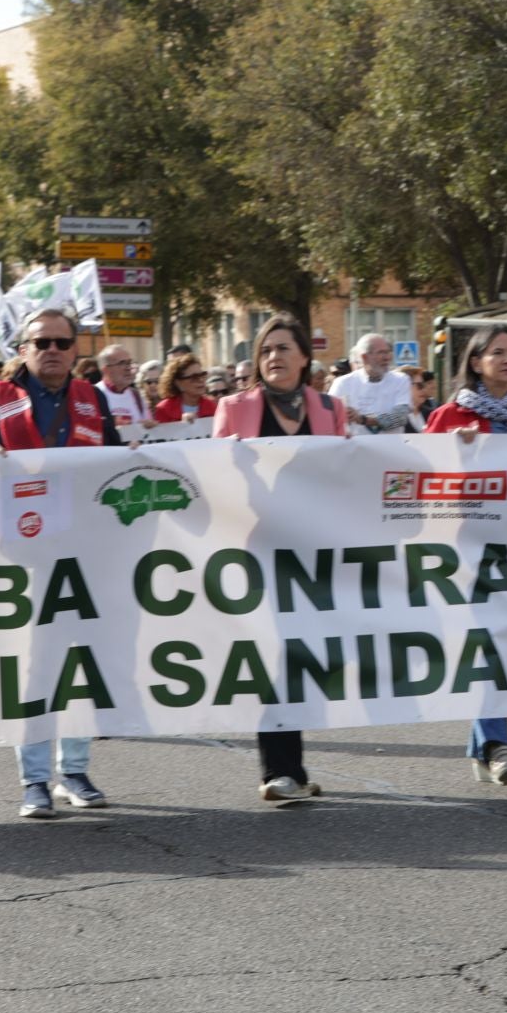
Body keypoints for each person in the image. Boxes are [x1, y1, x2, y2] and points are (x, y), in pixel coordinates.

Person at [0, 309, 123, 818]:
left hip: (82, 550)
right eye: (40, 342)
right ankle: (34, 780)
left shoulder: (92, 399)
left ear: (75, 350)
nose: (51, 349)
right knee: (33, 667)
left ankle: (74, 769)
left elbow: (113, 463)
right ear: (24, 350)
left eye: (61, 342)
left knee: (79, 664)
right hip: (22, 555)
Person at [210, 314, 345, 804]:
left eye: (284, 348)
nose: (274, 357)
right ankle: (279, 769)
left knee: (305, 655)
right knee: (273, 652)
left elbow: (346, 473)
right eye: (267, 350)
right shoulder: (233, 408)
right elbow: (215, 474)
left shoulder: (330, 409)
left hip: (312, 549)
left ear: (305, 358)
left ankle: (296, 768)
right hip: (257, 549)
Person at [425, 326, 507, 784]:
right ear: (475, 361)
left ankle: (483, 743)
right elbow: (422, 481)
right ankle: (498, 743)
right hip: (468, 550)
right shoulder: (448, 416)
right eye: (496, 352)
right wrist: (451, 453)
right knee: (488, 641)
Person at [331, 333, 412, 435]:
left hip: (391, 448)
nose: (387, 357)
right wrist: (342, 416)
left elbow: (400, 417)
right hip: (355, 449)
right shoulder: (343, 383)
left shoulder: (400, 380)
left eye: (388, 352)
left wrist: (363, 419)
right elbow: (328, 418)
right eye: (381, 353)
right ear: (365, 357)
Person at [96, 344, 157, 432]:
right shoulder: (93, 394)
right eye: (122, 363)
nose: (128, 368)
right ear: (105, 369)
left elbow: (150, 432)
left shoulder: (137, 396)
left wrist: (150, 426)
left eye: (129, 363)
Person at [151, 354, 216, 423]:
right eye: (194, 377)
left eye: (202, 375)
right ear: (179, 383)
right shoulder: (164, 409)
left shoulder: (213, 406)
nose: (200, 380)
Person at [398, 365, 430, 432]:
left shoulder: (430, 414)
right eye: (419, 385)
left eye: (424, 385)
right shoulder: (394, 416)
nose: (423, 389)